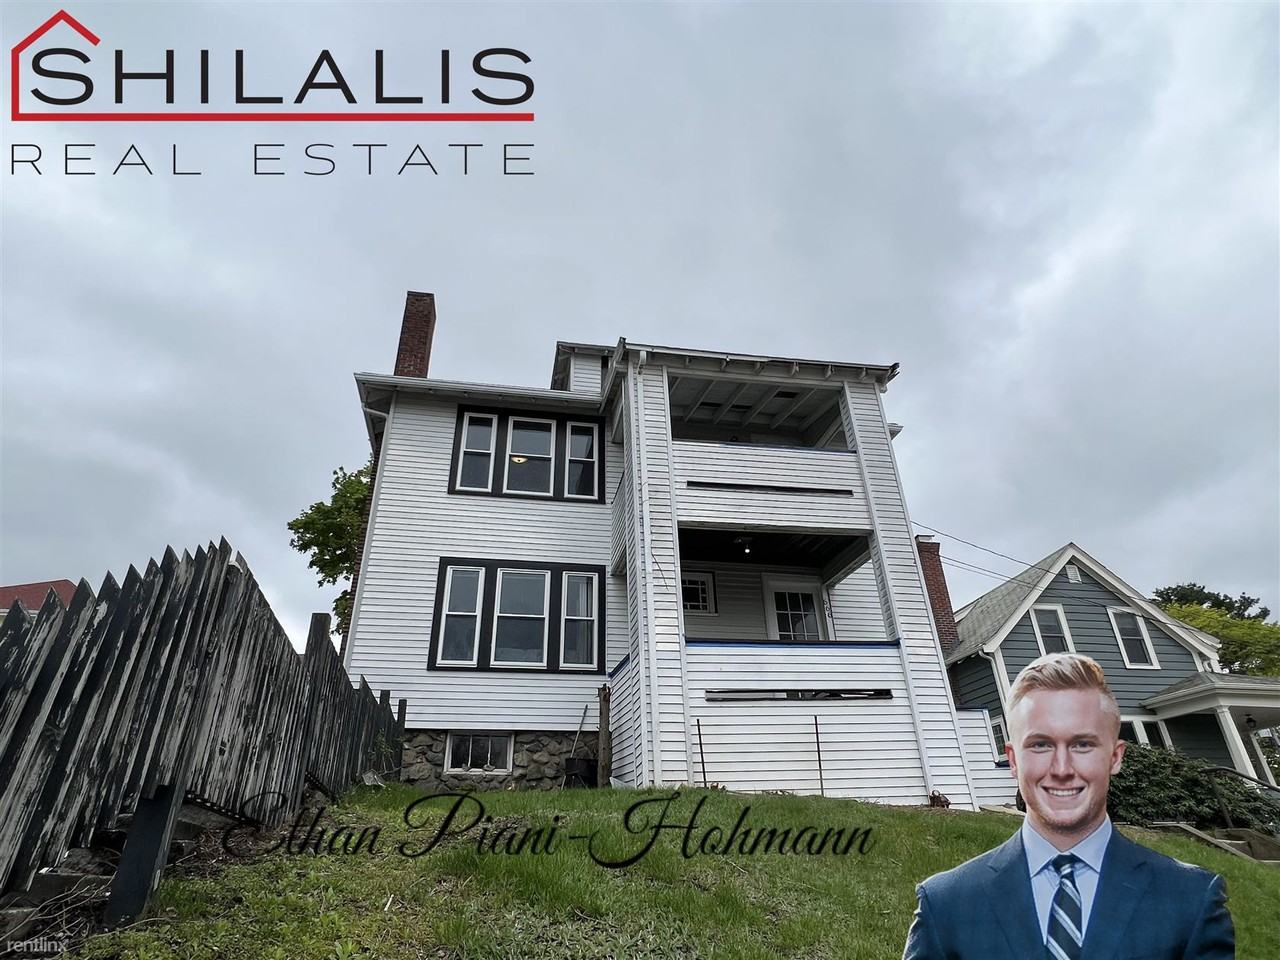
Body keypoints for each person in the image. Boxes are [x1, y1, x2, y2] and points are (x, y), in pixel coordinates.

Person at [903, 652, 1234, 959]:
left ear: (1115, 757)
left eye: (1082, 744)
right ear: (1013, 760)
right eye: (1040, 744)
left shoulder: (1192, 899)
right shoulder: (945, 904)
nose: (1061, 769)